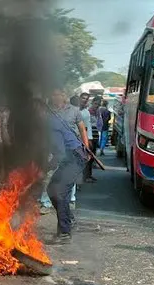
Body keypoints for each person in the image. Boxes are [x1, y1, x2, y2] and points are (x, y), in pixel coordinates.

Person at [47, 89, 88, 244]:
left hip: (75, 157)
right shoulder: (50, 119)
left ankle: (64, 232)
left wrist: (46, 167)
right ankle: (68, 220)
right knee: (52, 189)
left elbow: (59, 153)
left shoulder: (51, 125)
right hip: (68, 158)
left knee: (59, 192)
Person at [77, 96, 96, 183]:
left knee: (89, 158)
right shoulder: (74, 111)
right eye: (83, 98)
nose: (84, 100)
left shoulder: (86, 112)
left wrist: (89, 139)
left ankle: (87, 176)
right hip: (76, 138)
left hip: (85, 137)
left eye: (86, 99)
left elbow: (88, 127)